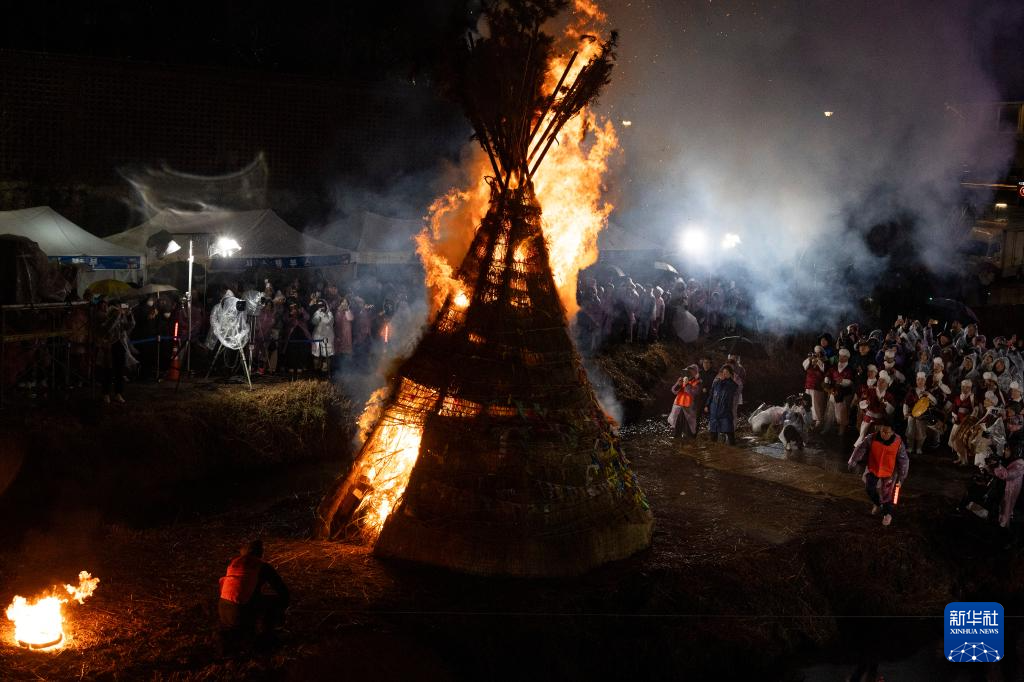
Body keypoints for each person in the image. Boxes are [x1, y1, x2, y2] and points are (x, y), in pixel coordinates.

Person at [218, 539, 290, 653]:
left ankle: (238, 632)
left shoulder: (233, 563)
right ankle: (267, 636)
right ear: (260, 553)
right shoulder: (262, 566)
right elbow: (282, 590)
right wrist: (282, 610)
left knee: (255, 598)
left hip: (223, 610)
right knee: (278, 600)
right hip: (241, 612)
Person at [848, 419, 909, 527]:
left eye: (887, 432)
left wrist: (901, 476)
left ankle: (887, 514)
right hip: (873, 468)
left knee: (886, 494)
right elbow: (860, 449)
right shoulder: (871, 438)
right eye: (882, 431)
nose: (884, 434)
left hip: (889, 472)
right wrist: (853, 462)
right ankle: (877, 503)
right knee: (869, 488)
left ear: (892, 432)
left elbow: (903, 460)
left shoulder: (898, 442)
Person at [94, 299, 135, 403]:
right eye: (116, 307)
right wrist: (117, 316)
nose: (119, 309)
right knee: (108, 370)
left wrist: (129, 315)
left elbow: (130, 326)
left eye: (119, 307)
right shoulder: (105, 317)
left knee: (119, 371)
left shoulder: (120, 317)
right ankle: (106, 393)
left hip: (120, 345)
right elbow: (108, 328)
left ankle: (118, 393)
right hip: (109, 346)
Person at [668, 364, 702, 440]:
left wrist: (687, 384)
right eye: (689, 370)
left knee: (688, 430)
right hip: (679, 408)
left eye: (692, 370)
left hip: (689, 410)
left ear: (696, 372)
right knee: (676, 429)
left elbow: (694, 393)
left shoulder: (698, 382)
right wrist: (678, 384)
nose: (690, 372)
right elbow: (674, 390)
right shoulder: (682, 379)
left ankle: (689, 444)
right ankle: (676, 443)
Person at [708, 365, 739, 445]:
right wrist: (707, 405)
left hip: (725, 411)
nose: (724, 374)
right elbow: (711, 394)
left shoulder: (733, 384)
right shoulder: (716, 383)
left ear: (730, 374)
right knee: (713, 433)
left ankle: (733, 449)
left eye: (726, 372)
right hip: (714, 411)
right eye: (723, 372)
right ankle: (713, 450)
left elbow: (732, 389)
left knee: (729, 431)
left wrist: (724, 380)